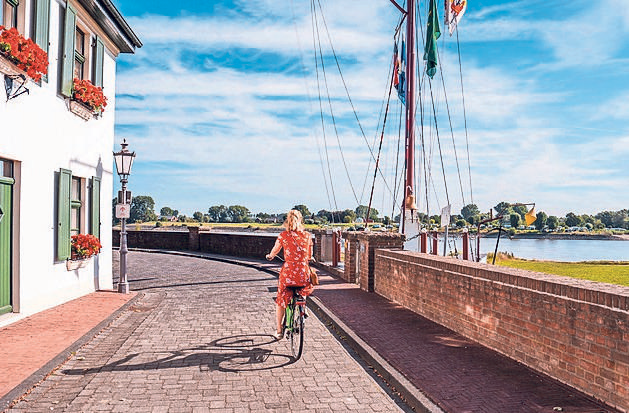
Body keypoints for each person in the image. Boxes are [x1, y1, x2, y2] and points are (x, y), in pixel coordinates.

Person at [266, 209, 315, 340]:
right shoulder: (307, 236)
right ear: (301, 221)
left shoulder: (283, 235)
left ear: (287, 221)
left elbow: (275, 251)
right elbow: (309, 255)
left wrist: (270, 256)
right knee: (302, 289)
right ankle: (302, 308)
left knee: (281, 300)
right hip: (303, 272)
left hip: (288, 273)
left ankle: (279, 331)